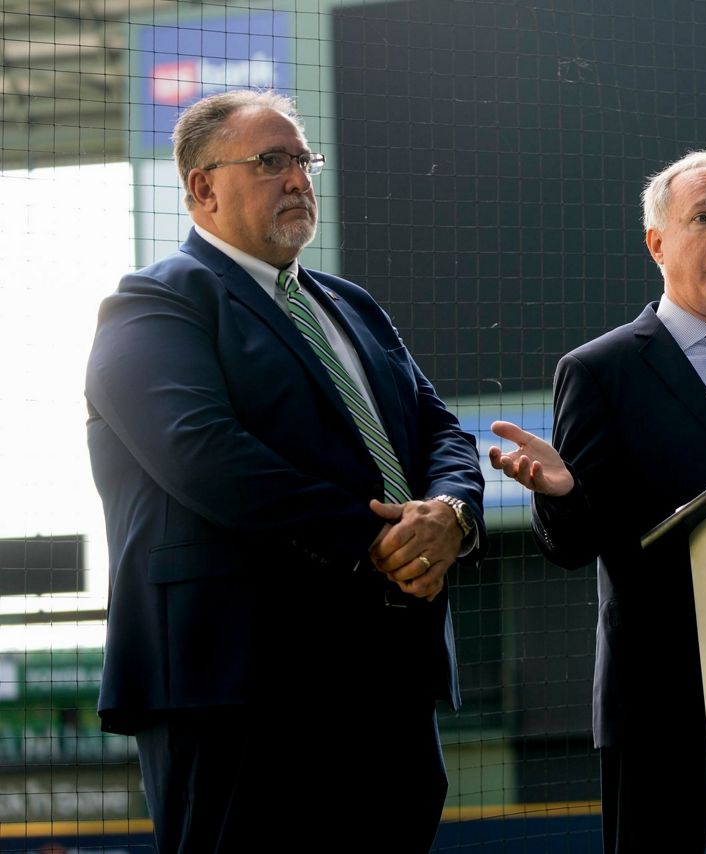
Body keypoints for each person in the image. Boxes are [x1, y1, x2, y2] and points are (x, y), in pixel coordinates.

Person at [85, 90, 485, 852]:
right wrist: (376, 540)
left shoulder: (351, 304)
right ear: (202, 187)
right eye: (272, 162)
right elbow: (201, 452)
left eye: (304, 160)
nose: (299, 179)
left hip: (387, 679)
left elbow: (438, 429)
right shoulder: (152, 302)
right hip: (237, 688)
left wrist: (451, 515)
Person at [489, 150, 706, 852]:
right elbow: (572, 546)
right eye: (704, 218)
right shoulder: (601, 371)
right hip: (660, 705)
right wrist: (564, 493)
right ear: (657, 244)